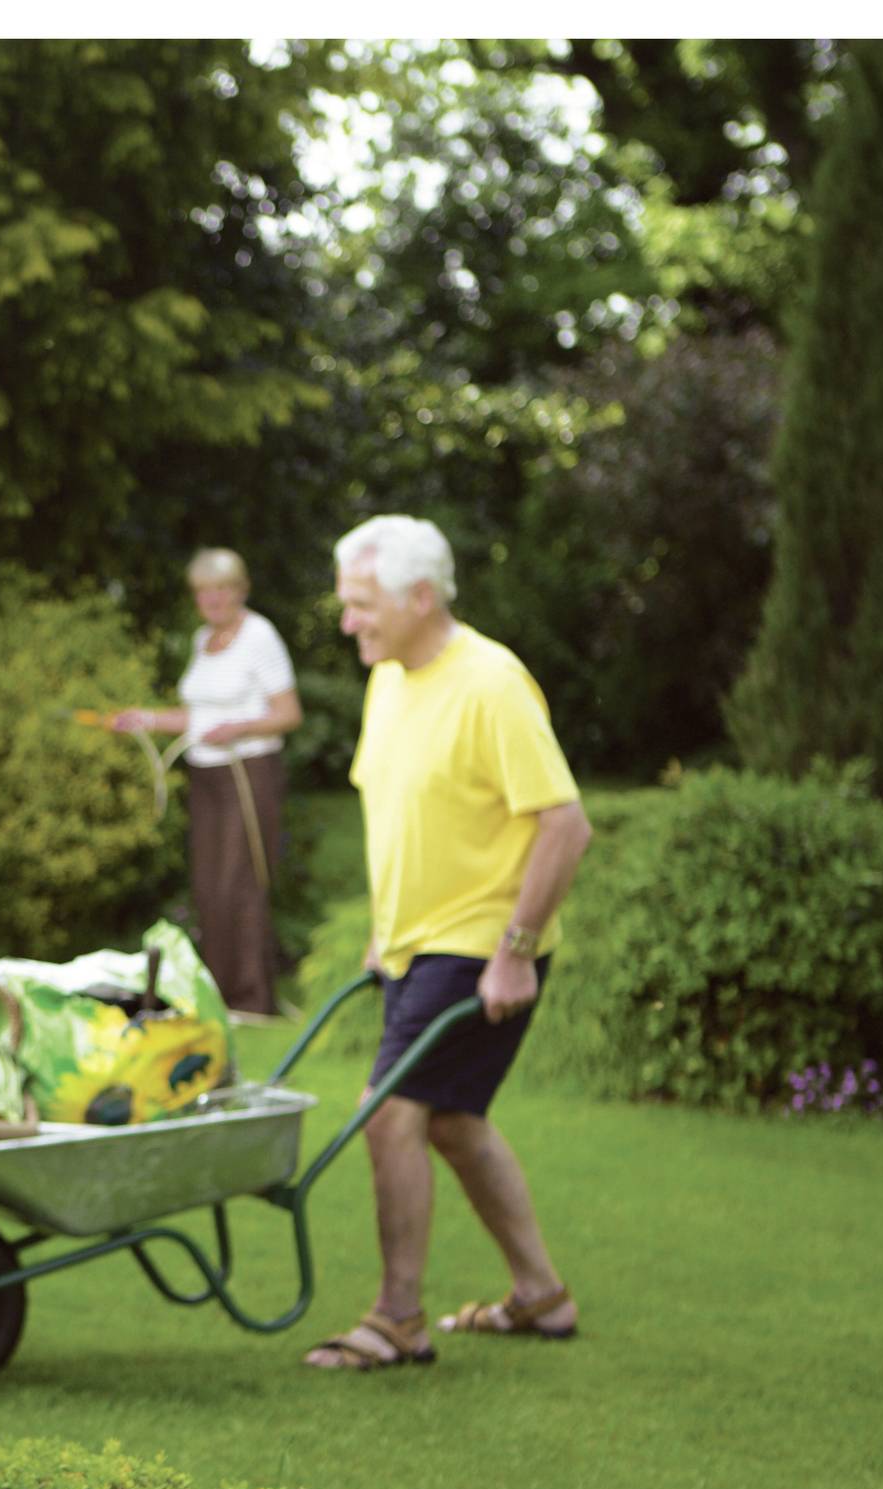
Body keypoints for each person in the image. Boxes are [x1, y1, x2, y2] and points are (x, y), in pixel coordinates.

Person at [304, 515, 594, 1374]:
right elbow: (404, 815)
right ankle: (541, 1295)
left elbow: (566, 825)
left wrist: (514, 949)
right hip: (417, 945)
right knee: (455, 1124)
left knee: (390, 1114)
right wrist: (381, 932)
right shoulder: (388, 679)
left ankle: (398, 1318)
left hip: (477, 944)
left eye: (362, 605)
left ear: (420, 597)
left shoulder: (491, 684)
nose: (348, 620)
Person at [106, 548, 302, 1017]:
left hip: (247, 771)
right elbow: (198, 715)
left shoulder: (260, 636)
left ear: (240, 590)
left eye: (221, 589)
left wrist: (237, 728)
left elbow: (287, 714)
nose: (212, 599)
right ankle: (217, 996)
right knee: (209, 885)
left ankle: (253, 1000)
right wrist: (147, 719)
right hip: (206, 774)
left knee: (242, 881)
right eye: (203, 592)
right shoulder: (201, 640)